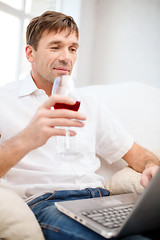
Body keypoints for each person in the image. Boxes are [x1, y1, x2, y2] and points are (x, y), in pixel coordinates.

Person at [0, 11, 159, 240]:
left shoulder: (88, 104)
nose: (66, 57)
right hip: (49, 204)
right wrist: (27, 139)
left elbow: (137, 154)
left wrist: (151, 167)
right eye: (55, 47)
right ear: (30, 53)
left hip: (101, 199)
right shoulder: (4, 100)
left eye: (72, 48)